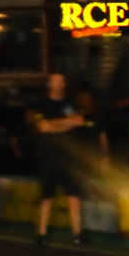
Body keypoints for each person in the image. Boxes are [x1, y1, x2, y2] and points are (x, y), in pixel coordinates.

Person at [30, 73, 85, 246]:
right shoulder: (41, 105)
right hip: (49, 157)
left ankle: (77, 233)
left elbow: (79, 120)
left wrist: (55, 124)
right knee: (46, 197)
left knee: (73, 195)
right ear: (49, 84)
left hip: (69, 157)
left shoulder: (71, 103)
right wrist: (66, 124)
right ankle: (42, 234)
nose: (59, 84)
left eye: (62, 81)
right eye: (56, 82)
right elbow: (43, 127)